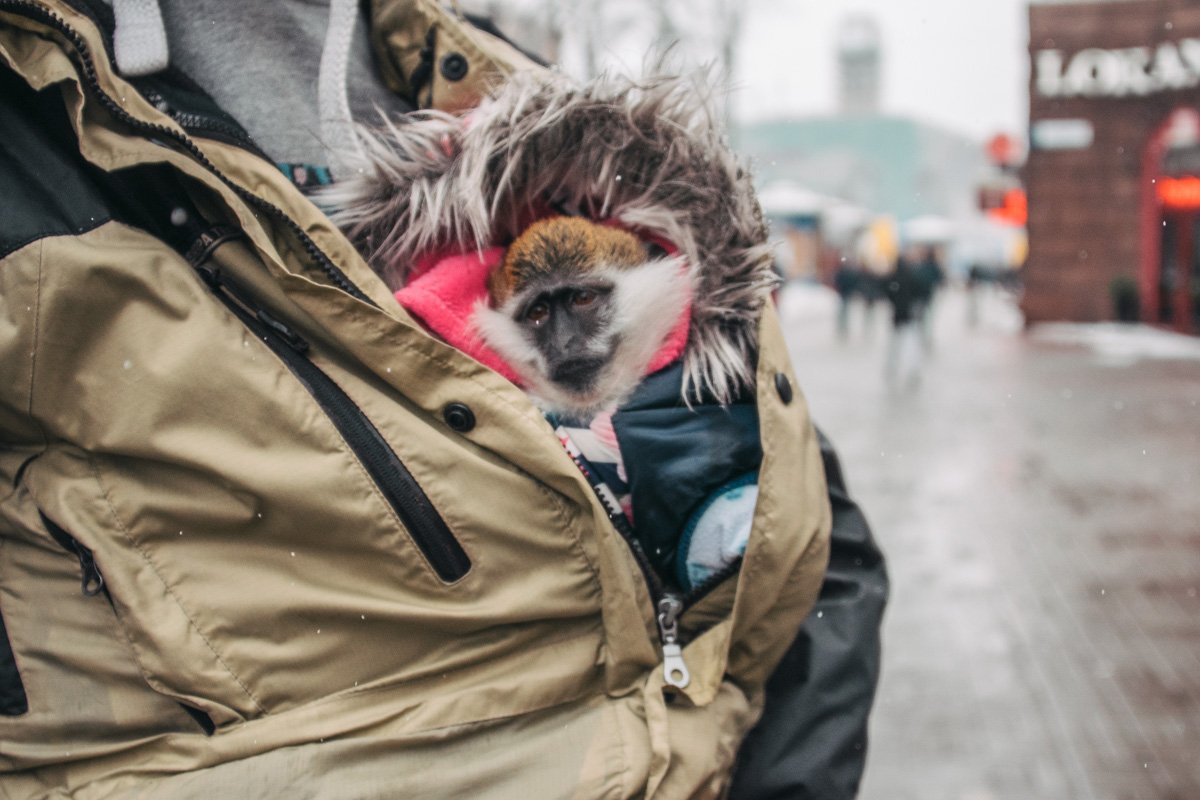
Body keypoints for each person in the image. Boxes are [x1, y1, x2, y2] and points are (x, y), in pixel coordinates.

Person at [0, 2, 886, 797]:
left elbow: (817, 544)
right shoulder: (30, 126)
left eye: (586, 305)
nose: (572, 343)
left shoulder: (512, 91)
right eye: (545, 315)